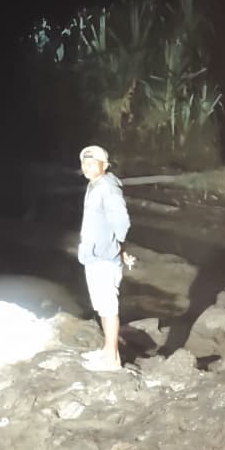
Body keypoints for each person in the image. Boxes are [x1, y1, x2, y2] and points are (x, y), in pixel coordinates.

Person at [77, 145, 133, 372]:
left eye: (93, 163)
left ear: (105, 165)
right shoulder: (94, 185)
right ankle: (108, 351)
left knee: (109, 308)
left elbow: (122, 222)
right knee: (102, 307)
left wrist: (118, 246)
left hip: (104, 258)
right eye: (85, 163)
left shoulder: (108, 188)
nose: (87, 167)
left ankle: (111, 360)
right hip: (94, 256)